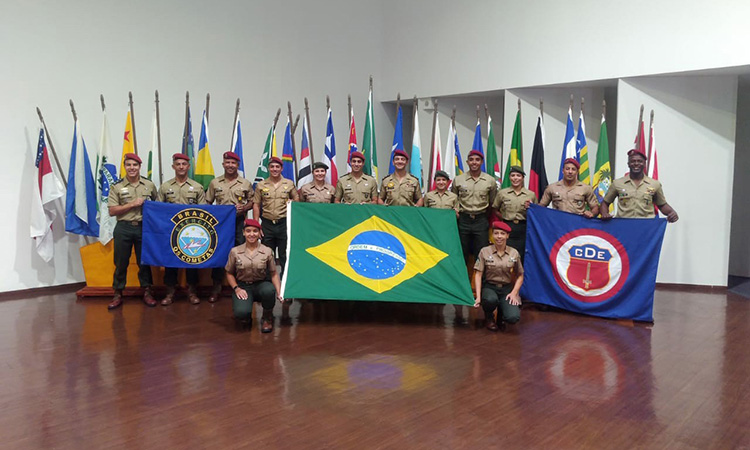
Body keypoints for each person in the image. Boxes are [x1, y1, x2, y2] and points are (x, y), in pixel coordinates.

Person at [106, 153, 158, 310]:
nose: (132, 168)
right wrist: (132, 204)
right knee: (121, 262)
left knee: (144, 262)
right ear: (124, 167)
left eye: (135, 165)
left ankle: (147, 291)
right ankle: (118, 293)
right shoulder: (117, 187)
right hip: (124, 227)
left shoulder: (149, 185)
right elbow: (112, 211)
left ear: (139, 167)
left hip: (144, 228)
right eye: (128, 165)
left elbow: (157, 205)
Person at [158, 153, 206, 305]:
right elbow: (158, 208)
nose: (181, 167)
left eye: (184, 164)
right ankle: (170, 292)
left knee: (192, 260)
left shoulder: (197, 187)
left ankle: (192, 291)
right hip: (170, 230)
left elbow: (204, 210)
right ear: (173, 166)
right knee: (170, 261)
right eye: (178, 164)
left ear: (188, 166)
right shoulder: (165, 187)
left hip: (190, 231)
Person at [205, 151, 254, 303]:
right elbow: (207, 202)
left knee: (241, 253)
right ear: (223, 164)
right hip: (220, 224)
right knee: (219, 253)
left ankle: (241, 286)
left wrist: (244, 208)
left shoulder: (245, 183)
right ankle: (216, 286)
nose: (230, 165)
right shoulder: (215, 182)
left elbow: (252, 201)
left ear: (238, 165)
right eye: (227, 162)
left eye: (233, 163)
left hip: (239, 222)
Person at [225, 219, 283, 333]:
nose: (252, 234)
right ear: (243, 233)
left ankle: (267, 317)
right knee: (241, 313)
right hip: (243, 286)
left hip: (261, 284)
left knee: (269, 291)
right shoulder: (235, 251)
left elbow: (273, 273)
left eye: (255, 231)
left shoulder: (267, 251)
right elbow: (229, 273)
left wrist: (279, 292)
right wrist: (236, 289)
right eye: (248, 231)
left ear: (259, 233)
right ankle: (246, 317)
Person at [600, 149, 679, 223]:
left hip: (646, 226)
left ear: (644, 164)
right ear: (628, 164)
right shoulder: (617, 183)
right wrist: (604, 213)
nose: (636, 164)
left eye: (640, 161)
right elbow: (605, 203)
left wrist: (672, 213)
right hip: (623, 226)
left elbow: (662, 205)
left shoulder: (654, 184)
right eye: (633, 161)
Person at [252, 156, 299, 276]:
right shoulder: (261, 185)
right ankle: (268, 280)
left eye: (277, 167)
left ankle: (285, 279)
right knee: (266, 254)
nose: (274, 169)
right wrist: (256, 225)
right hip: (267, 224)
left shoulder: (289, 183)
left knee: (284, 254)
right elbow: (256, 204)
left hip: (283, 223)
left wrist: (293, 202)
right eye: (272, 166)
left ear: (281, 168)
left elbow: (297, 200)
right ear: (268, 168)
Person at [473, 221, 524, 332]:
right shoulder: (485, 251)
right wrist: (478, 296)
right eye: (496, 233)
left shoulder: (514, 253)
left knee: (513, 317)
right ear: (492, 235)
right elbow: (478, 274)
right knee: (490, 300)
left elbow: (520, 275)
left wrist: (514, 293)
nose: (499, 236)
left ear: (507, 236)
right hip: (490, 287)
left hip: (506, 289)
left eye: (502, 233)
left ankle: (502, 316)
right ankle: (489, 317)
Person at [451, 150, 498, 263]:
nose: (474, 162)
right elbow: (453, 198)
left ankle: (479, 275)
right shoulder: (458, 179)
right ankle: (462, 275)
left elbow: (492, 202)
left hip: (481, 220)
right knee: (461, 252)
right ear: (467, 162)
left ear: (482, 162)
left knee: (481, 253)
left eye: (477, 160)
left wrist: (483, 216)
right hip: (463, 219)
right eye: (471, 160)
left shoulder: (490, 180)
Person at [492, 166, 537, 262]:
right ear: (509, 177)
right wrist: (503, 218)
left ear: (523, 178)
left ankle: (520, 272)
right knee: (506, 253)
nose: (515, 178)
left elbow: (536, 213)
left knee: (522, 255)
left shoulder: (530, 194)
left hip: (523, 227)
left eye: (518, 176)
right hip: (507, 226)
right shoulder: (502, 193)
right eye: (513, 175)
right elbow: (495, 209)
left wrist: (530, 207)